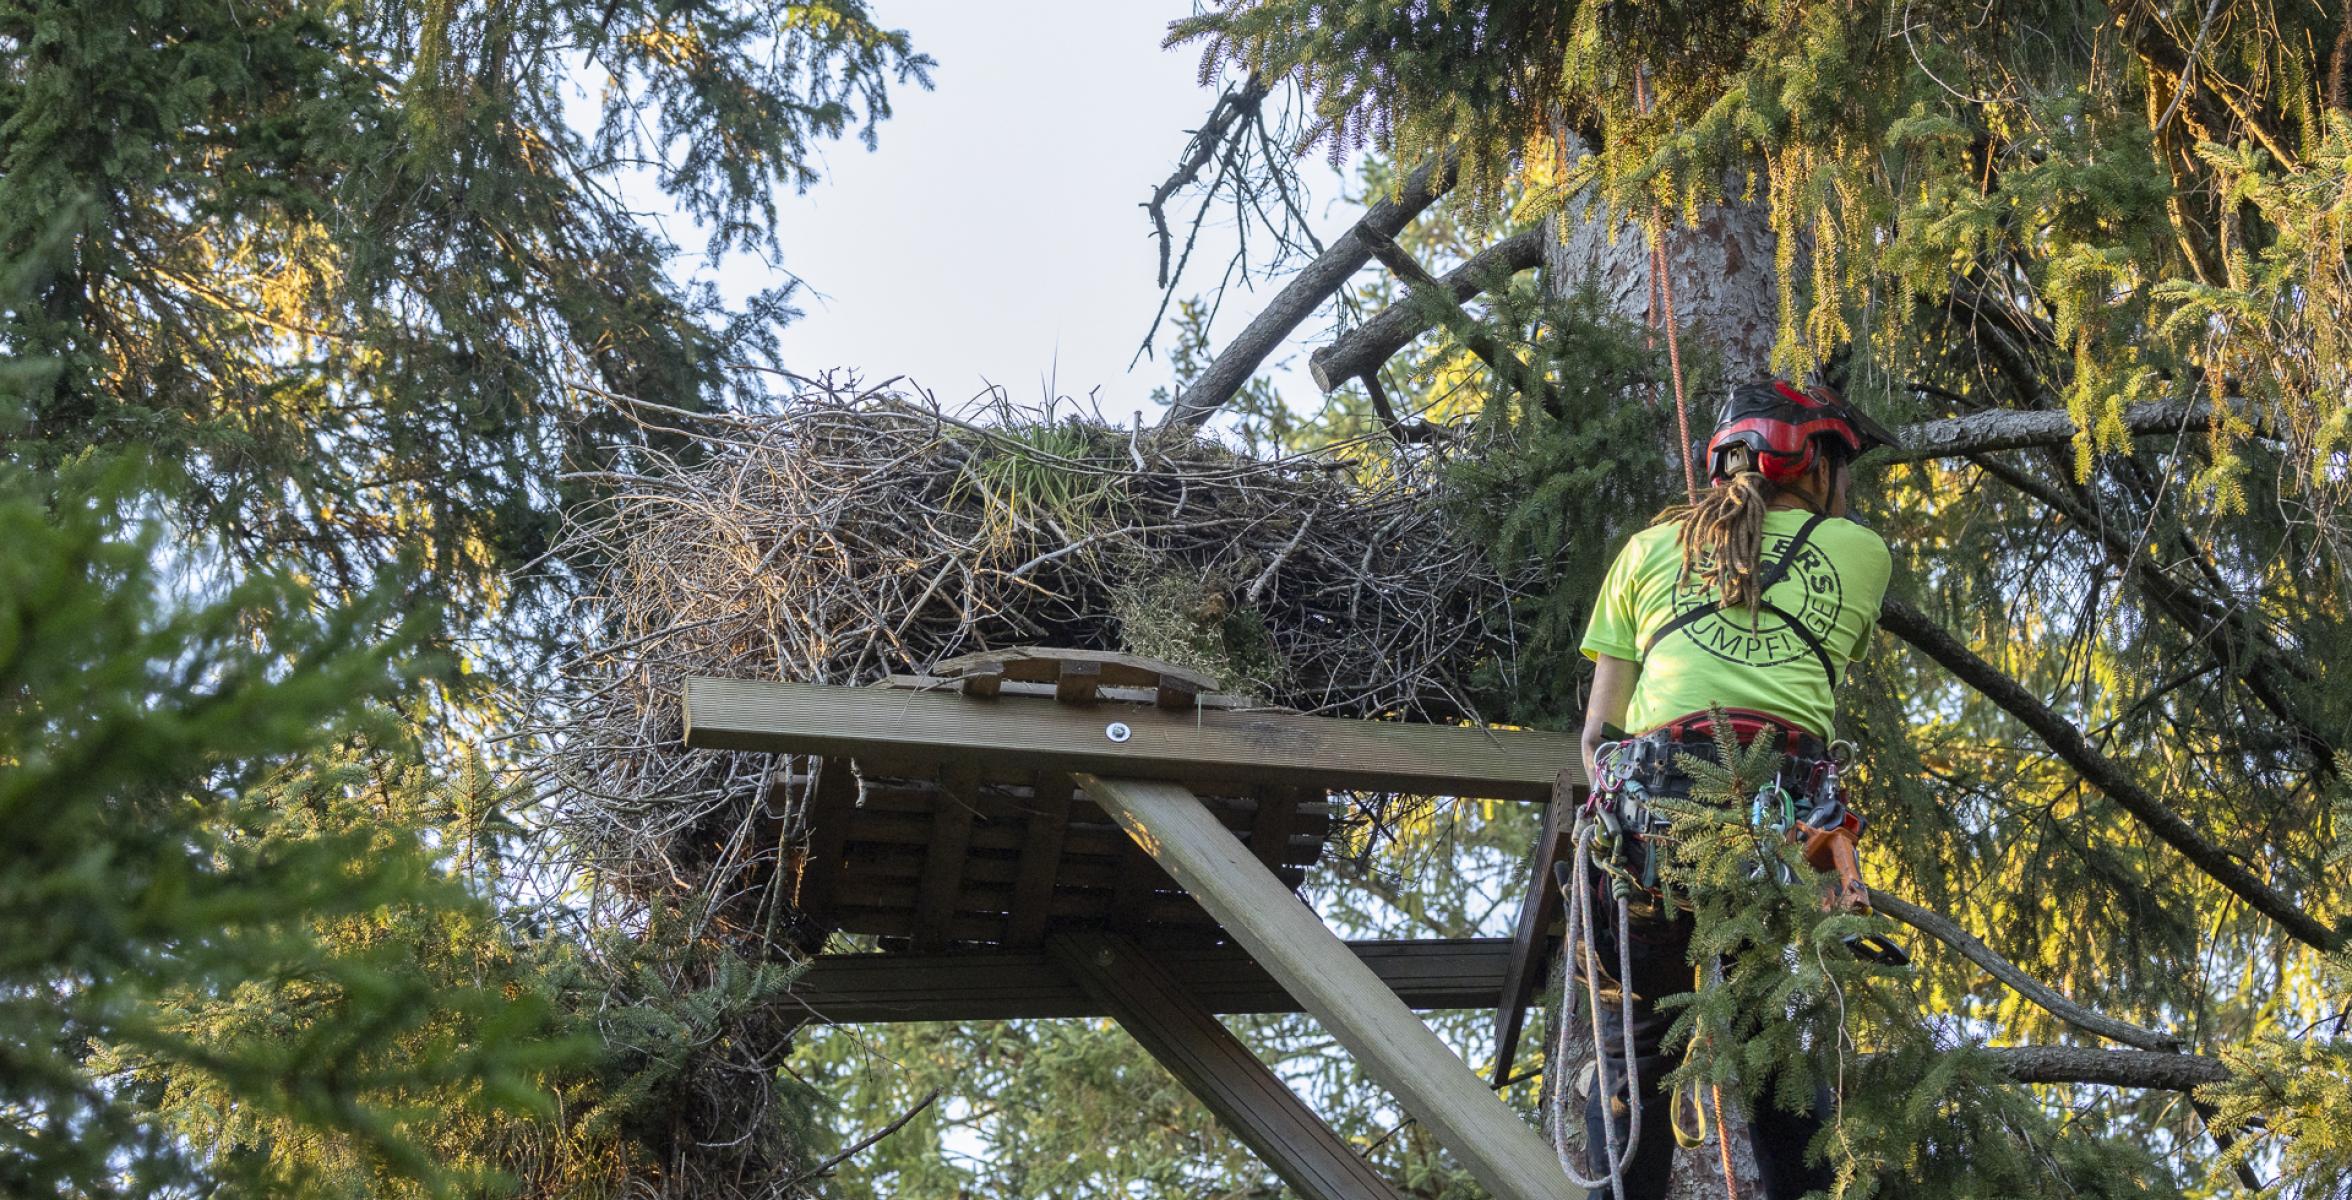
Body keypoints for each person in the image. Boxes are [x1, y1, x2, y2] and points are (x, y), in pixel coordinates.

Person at [1573, 378, 1894, 1200]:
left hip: (1652, 813)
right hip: (1778, 820)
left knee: (1639, 1039)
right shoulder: (1860, 554)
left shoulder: (1648, 551)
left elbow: (1596, 740)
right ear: (1812, 461)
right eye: (1837, 466)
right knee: (1769, 1040)